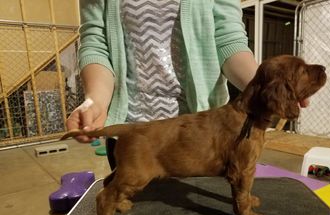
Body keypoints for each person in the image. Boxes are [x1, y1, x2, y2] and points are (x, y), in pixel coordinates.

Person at [66, 0, 309, 168]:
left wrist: (269, 86)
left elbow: (229, 39)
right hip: (132, 134)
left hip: (203, 134)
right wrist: (95, 100)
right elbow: (96, 41)